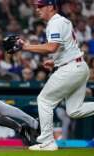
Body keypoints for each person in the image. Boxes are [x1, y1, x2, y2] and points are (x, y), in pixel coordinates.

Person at [18, 0, 94, 151]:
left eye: (41, 6)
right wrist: (56, 62)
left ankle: (47, 142)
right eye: (37, 6)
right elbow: (67, 45)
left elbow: (52, 47)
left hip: (71, 68)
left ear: (51, 7)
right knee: (74, 110)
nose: (37, 9)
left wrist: (26, 46)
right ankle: (48, 141)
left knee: (44, 100)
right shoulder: (63, 21)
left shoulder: (55, 23)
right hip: (78, 65)